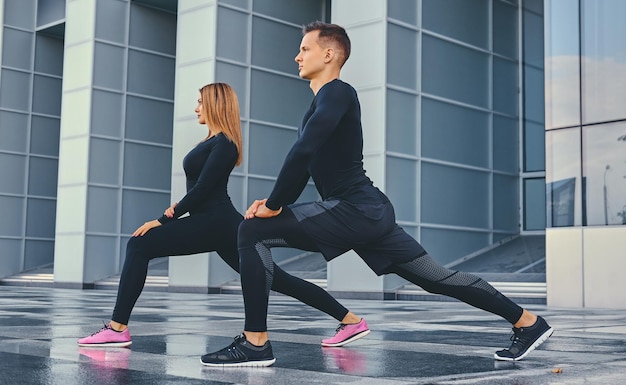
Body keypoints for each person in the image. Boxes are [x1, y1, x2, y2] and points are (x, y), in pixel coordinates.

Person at [200, 22, 553, 367]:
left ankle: (256, 342)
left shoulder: (338, 91)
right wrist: (275, 204)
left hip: (355, 209)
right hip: (367, 212)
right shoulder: (321, 103)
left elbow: (303, 151)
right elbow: (305, 162)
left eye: (304, 48)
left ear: (329, 53)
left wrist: (274, 205)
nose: (297, 56)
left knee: (250, 231)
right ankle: (528, 322)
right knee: (435, 278)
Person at [77, 82, 369, 349]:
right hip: (218, 223)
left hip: (215, 221)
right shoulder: (213, 141)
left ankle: (117, 329)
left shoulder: (225, 144)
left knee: (139, 245)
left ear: (216, 104)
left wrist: (165, 218)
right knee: (277, 279)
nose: (196, 108)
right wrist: (175, 210)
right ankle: (352, 320)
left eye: (200, 102)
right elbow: (202, 188)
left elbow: (204, 189)